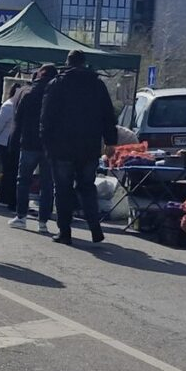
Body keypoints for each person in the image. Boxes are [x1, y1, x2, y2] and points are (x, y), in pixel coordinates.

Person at [40, 50, 117, 245]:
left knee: (63, 189)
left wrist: (47, 144)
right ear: (84, 63)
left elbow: (46, 118)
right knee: (87, 187)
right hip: (89, 147)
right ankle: (95, 227)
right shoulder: (97, 85)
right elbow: (108, 115)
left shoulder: (57, 84)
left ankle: (65, 232)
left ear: (67, 62)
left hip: (61, 147)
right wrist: (110, 141)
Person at [10, 64, 58, 233]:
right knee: (47, 184)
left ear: (38, 75)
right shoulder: (57, 95)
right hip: (50, 145)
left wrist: (14, 141)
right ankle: (43, 222)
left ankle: (21, 217)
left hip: (29, 142)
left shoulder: (27, 92)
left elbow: (18, 119)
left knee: (23, 180)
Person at [0, 82, 21, 210]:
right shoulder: (8, 106)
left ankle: (5, 198)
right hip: (4, 142)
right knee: (8, 171)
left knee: (11, 171)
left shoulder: (17, 105)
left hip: (12, 142)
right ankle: (3, 198)